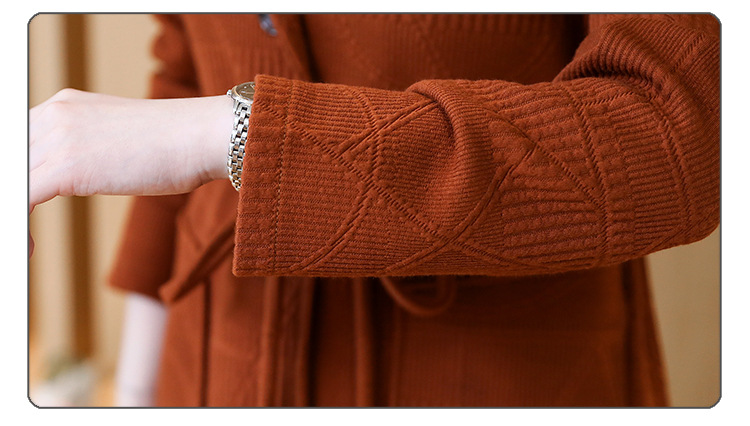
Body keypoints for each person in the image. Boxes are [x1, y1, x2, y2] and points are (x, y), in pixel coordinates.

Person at [29, 14, 720, 407]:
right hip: (213, 366)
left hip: (492, 375)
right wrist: (138, 389)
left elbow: (681, 132)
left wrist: (235, 133)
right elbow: (189, 66)